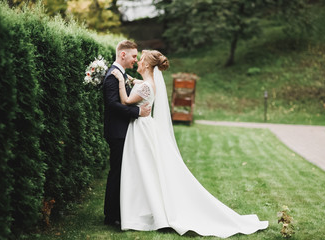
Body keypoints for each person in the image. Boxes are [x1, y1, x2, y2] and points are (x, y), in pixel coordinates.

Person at [111, 50, 269, 238]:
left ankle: (142, 212)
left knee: (144, 169)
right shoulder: (146, 84)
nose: (137, 61)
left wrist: (120, 81)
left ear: (145, 65)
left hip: (141, 129)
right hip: (143, 128)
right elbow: (138, 85)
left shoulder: (145, 86)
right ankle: (143, 209)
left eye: (141, 59)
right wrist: (128, 78)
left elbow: (126, 100)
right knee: (145, 170)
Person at [102, 40, 151, 226]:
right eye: (133, 56)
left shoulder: (121, 75)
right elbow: (113, 105)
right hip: (117, 132)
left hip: (123, 131)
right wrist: (137, 112)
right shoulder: (112, 77)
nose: (135, 60)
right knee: (117, 173)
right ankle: (111, 215)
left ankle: (119, 212)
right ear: (123, 54)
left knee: (122, 172)